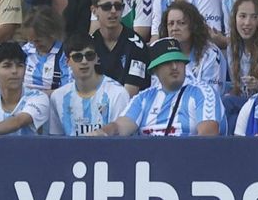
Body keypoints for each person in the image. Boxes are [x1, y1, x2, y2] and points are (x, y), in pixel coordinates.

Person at [89, 38, 221, 136]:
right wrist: (102, 132)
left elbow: (208, 136)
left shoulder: (202, 92)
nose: (175, 66)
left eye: (178, 61)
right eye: (168, 62)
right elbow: (120, 126)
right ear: (155, 70)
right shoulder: (143, 98)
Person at [43, 34, 133, 136]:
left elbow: (121, 140)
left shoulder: (117, 93)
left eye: (89, 55)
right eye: (77, 57)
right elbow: (56, 140)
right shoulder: (58, 97)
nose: (84, 61)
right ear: (67, 61)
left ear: (96, 58)